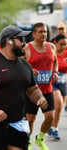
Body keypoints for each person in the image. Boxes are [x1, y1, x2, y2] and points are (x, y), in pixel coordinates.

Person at [0, 25, 48, 150]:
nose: (24, 43)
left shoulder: (25, 65)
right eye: (21, 40)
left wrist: (39, 97)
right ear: (9, 41)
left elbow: (32, 89)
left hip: (19, 122)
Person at [24, 22, 58, 150]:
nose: (44, 34)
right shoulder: (27, 48)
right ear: (34, 34)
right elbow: (18, 64)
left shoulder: (52, 47)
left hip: (47, 89)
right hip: (31, 91)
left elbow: (55, 61)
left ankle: (40, 138)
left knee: (50, 117)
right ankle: (28, 142)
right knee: (30, 119)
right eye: (40, 32)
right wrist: (29, 69)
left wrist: (55, 71)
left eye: (45, 31)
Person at [48, 34, 67, 140]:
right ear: (55, 43)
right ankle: (55, 129)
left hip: (64, 83)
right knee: (59, 105)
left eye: (65, 44)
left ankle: (51, 126)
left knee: (58, 109)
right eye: (61, 44)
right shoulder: (52, 52)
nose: (63, 46)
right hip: (53, 83)